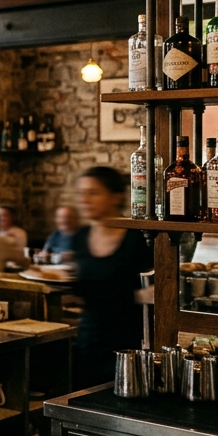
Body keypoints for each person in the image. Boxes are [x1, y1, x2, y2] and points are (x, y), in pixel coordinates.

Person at [71, 166, 154, 389]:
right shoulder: (80, 237)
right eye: (81, 193)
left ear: (117, 197)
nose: (84, 200)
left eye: (93, 193)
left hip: (128, 344)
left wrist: (135, 297)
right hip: (89, 339)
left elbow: (154, 294)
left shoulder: (138, 239)